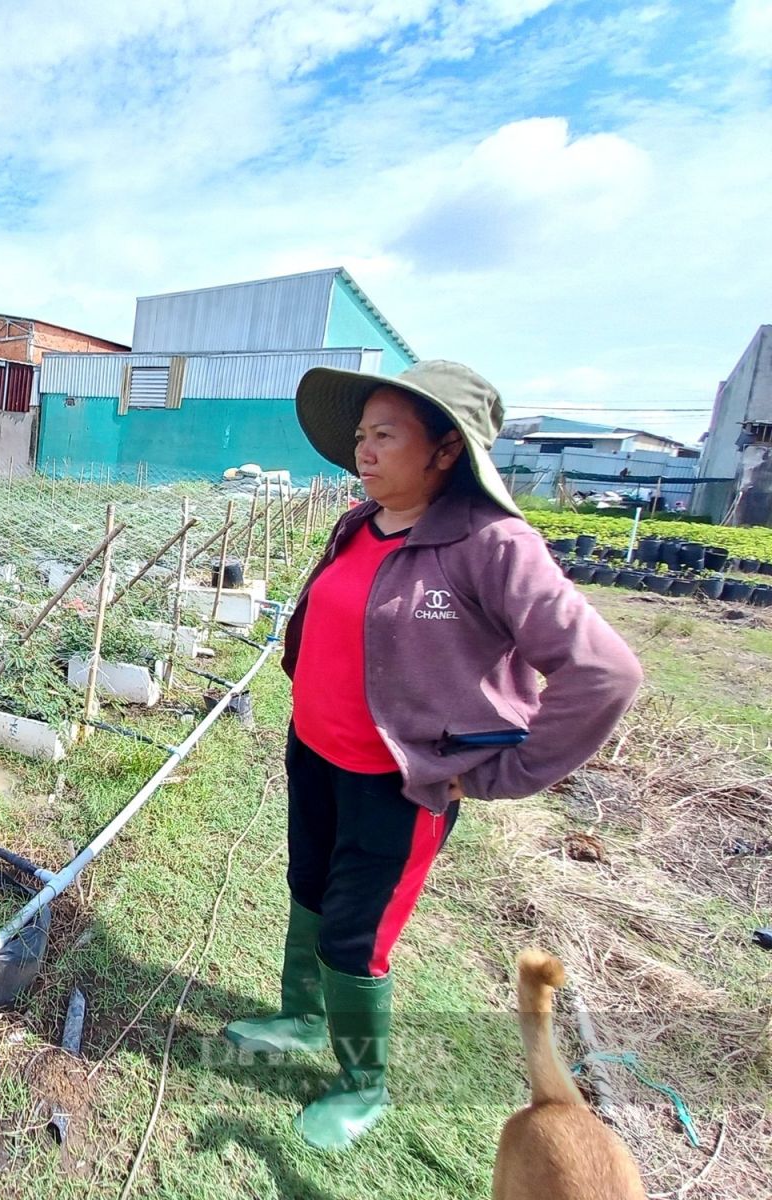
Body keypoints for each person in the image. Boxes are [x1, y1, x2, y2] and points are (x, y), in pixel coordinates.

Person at [224, 360, 642, 1150]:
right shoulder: (359, 522)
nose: (364, 452)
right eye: (361, 436)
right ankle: (304, 1017)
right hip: (315, 753)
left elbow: (605, 671)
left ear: (446, 450)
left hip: (400, 783)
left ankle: (361, 1084)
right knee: (309, 885)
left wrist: (505, 771)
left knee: (358, 933)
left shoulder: (492, 546)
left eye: (386, 436)